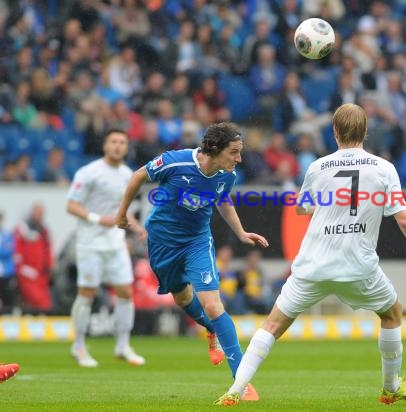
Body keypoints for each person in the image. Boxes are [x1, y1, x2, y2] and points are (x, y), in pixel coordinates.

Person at [214, 103, 406, 406]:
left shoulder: (317, 167)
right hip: (358, 268)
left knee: (272, 325)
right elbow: (404, 220)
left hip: (313, 266)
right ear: (365, 132)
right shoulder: (383, 168)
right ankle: (390, 387)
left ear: (335, 132)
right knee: (392, 313)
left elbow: (302, 208)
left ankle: (236, 389)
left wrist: (324, 205)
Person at [115, 122, 268, 401]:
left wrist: (241, 231)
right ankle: (211, 330)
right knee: (182, 297)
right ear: (214, 148)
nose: (239, 159)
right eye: (234, 152)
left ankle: (241, 381)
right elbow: (138, 176)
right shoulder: (176, 161)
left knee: (213, 304)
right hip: (162, 242)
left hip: (198, 241)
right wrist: (123, 213)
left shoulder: (227, 174)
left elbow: (223, 200)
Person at [67, 129, 146, 368]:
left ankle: (123, 345)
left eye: (122, 142)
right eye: (113, 141)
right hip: (90, 241)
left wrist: (138, 228)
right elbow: (71, 205)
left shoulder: (127, 175)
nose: (118, 146)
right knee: (87, 293)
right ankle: (79, 345)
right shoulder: (89, 172)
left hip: (115, 241)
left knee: (125, 292)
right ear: (105, 145)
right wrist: (96, 218)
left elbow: (121, 209)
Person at [13, 203, 54, 314]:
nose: (39, 216)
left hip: (41, 275)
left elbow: (48, 250)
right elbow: (17, 252)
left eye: (41, 214)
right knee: (37, 301)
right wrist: (22, 269)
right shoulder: (22, 230)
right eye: (37, 213)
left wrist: (49, 267)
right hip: (27, 274)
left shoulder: (44, 231)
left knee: (45, 302)